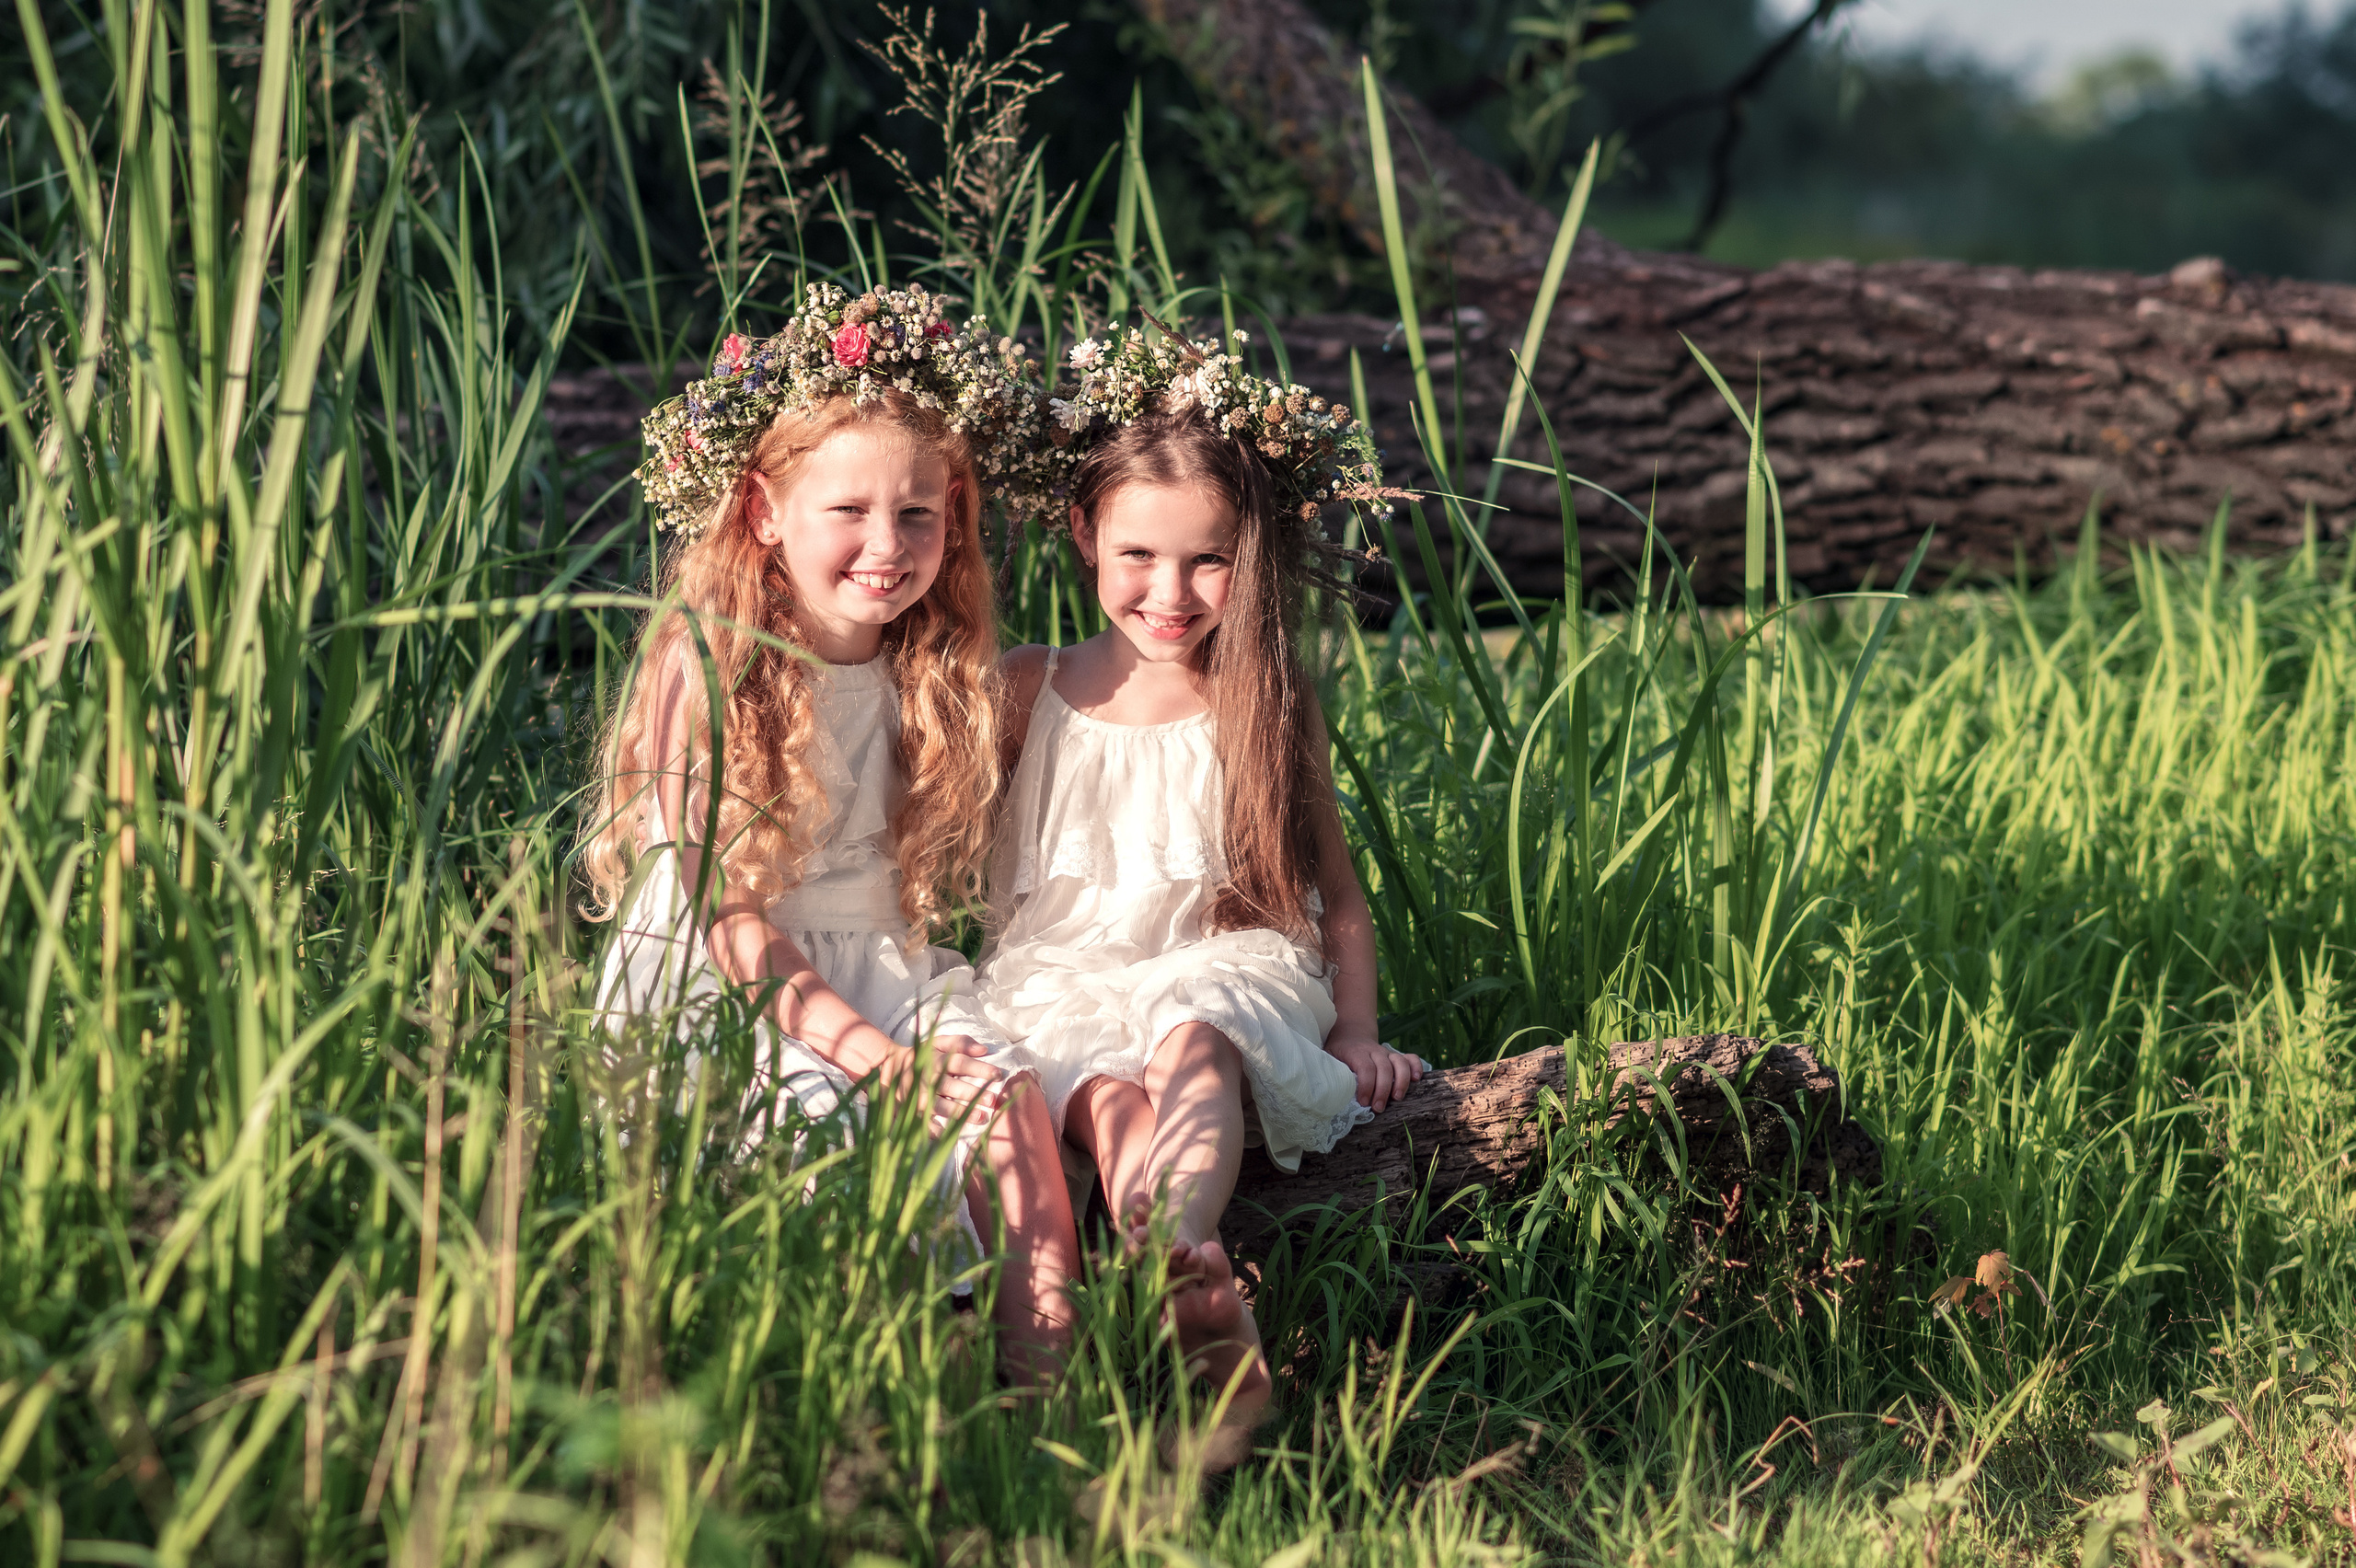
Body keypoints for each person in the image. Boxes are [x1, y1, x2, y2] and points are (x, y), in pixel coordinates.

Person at [583, 283, 1079, 1377]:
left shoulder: (931, 665)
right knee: (838, 1128)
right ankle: (861, 1391)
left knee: (1006, 1108)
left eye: (917, 514)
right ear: (764, 512)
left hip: (881, 963)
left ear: (954, 516)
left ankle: (1049, 1394)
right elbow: (726, 922)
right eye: (847, 511)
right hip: (727, 982)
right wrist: (870, 1056)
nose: (885, 546)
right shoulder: (707, 662)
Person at [978, 322, 1426, 1458]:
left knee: (1192, 1033)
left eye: (1206, 561)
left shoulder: (1261, 697)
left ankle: (1177, 1239)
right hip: (1060, 975)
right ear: (1083, 533)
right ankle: (1183, 1277)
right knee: (1102, 1095)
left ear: (1250, 554)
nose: (1169, 592)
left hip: (1226, 960)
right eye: (1138, 554)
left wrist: (1359, 1032)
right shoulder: (1029, 687)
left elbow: (1336, 896)